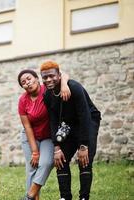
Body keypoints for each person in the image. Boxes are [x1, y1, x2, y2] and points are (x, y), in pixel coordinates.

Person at [40, 61, 101, 200]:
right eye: (45, 77)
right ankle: (65, 197)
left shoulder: (74, 87)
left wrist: (84, 145)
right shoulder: (48, 96)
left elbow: (84, 115)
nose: (48, 80)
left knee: (84, 160)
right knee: (60, 159)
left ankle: (84, 197)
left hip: (88, 121)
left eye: (51, 76)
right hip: (69, 125)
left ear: (59, 75)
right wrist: (56, 146)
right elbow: (53, 121)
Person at [18, 69, 70, 200]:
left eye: (29, 79)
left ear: (37, 78)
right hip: (30, 136)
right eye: (23, 82)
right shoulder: (23, 100)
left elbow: (62, 73)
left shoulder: (47, 90)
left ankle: (28, 196)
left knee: (46, 163)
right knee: (32, 168)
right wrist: (35, 152)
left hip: (48, 135)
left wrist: (64, 85)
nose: (27, 83)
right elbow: (27, 126)